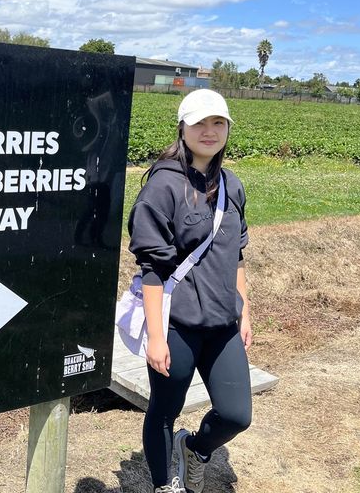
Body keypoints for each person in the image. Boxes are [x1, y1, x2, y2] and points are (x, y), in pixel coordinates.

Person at [128, 89, 252, 493]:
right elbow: (152, 270)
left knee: (236, 415)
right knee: (165, 410)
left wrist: (244, 311)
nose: (210, 131)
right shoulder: (162, 187)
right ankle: (165, 484)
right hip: (176, 324)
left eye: (219, 123)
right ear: (182, 128)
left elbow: (236, 256)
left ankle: (195, 449)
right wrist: (157, 337)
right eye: (200, 122)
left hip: (222, 323)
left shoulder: (233, 186)